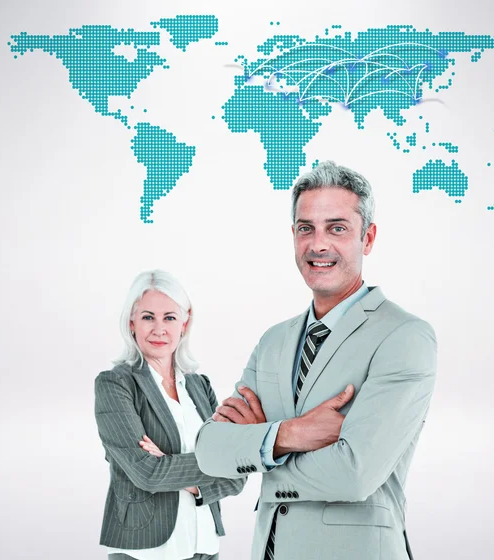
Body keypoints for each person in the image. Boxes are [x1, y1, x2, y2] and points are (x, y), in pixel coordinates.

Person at [192, 161, 438, 560]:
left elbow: (355, 474)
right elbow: (209, 451)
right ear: (293, 236)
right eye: (306, 228)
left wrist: (259, 452)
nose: (318, 244)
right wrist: (292, 433)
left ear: (368, 238)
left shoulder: (404, 336)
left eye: (337, 228)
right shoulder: (274, 341)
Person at [94, 270, 245, 560]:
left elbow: (236, 478)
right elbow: (146, 473)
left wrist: (168, 463)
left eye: (170, 318)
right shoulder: (115, 384)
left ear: (185, 323)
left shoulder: (199, 386)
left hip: (204, 545)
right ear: (132, 322)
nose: (159, 329)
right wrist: (219, 463)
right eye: (148, 317)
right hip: (146, 550)